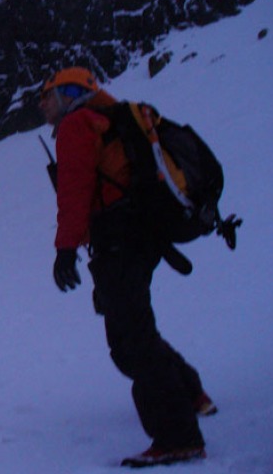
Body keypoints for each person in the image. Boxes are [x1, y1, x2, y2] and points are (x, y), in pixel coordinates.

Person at [38, 67, 217, 468]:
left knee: (131, 340)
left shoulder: (78, 126)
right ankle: (191, 394)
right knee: (134, 330)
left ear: (69, 93)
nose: (42, 105)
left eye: (47, 96)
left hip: (118, 239)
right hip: (137, 234)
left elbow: (74, 192)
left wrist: (65, 249)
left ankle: (178, 437)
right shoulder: (111, 120)